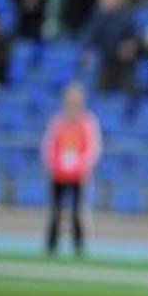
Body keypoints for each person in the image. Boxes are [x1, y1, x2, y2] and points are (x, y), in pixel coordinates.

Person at [41, 83, 102, 256]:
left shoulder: (88, 123)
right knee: (56, 210)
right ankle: (51, 247)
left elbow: (93, 148)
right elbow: (49, 145)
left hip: (78, 176)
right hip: (58, 175)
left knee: (77, 212)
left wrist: (83, 167)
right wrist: (52, 165)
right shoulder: (58, 122)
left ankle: (78, 247)